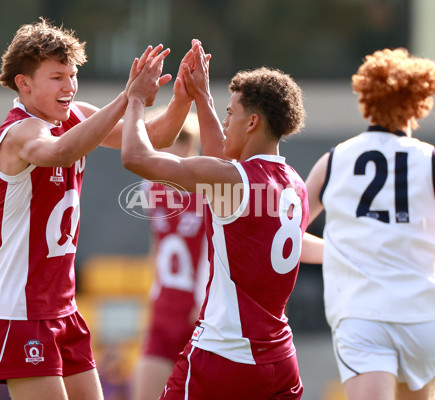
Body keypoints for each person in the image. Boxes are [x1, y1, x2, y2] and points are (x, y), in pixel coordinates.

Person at [0, 18, 194, 400]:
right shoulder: (20, 132)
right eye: (57, 77)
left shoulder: (75, 115)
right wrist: (129, 97)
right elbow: (61, 151)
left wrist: (184, 97)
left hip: (63, 307)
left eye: (73, 75)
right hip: (20, 310)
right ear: (23, 84)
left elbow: (157, 137)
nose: (70, 86)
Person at [120, 40, 323, 400]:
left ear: (253, 122)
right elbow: (225, 162)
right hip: (279, 362)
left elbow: (136, 155)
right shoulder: (294, 184)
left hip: (223, 354)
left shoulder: (234, 180)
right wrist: (202, 97)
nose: (225, 121)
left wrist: (135, 99)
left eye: (231, 114)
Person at [304, 48, 435, 400]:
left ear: (366, 98)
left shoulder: (333, 160)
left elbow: (287, 236)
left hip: (361, 315)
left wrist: (343, 252)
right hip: (422, 316)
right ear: (420, 101)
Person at [130, 111, 210, 400]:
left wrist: (206, 301)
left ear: (187, 147)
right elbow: (158, 244)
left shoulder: (209, 191)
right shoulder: (150, 187)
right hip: (165, 307)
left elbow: (217, 252)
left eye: (165, 143)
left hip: (198, 312)